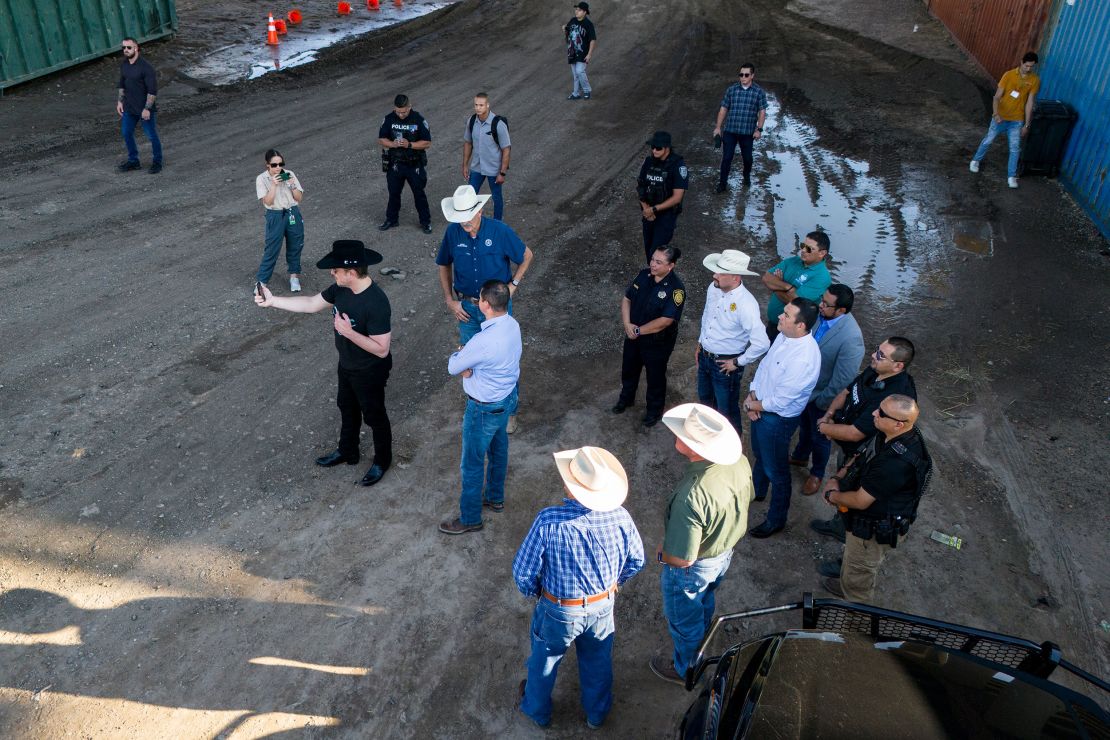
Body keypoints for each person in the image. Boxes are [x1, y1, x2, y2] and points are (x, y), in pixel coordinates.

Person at [514, 446, 644, 729]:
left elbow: (523, 572)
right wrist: (615, 583)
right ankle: (596, 715)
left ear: (569, 486)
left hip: (558, 609)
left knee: (545, 662)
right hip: (602, 605)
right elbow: (637, 559)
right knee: (597, 661)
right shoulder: (620, 517)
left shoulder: (548, 520)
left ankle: (538, 711)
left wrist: (535, 592)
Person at [253, 240, 393, 487]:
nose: (332, 273)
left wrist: (348, 333)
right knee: (346, 407)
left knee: (374, 416)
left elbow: (382, 350)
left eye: (336, 269)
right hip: (347, 364)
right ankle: (348, 451)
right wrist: (273, 301)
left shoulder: (376, 302)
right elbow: (311, 304)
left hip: (369, 370)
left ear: (351, 273)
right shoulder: (340, 289)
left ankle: (382, 460)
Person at [650, 403, 752, 685]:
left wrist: (662, 556)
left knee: (684, 622)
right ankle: (703, 633)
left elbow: (682, 559)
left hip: (694, 567)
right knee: (706, 598)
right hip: (723, 552)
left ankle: (687, 669)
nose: (677, 435)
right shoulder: (739, 462)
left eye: (683, 434)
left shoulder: (692, 496)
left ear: (695, 448)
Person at [437, 185, 532, 433]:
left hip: (497, 307)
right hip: (467, 306)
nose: (464, 222)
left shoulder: (499, 231)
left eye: (468, 216)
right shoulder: (453, 233)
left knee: (504, 360)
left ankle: (509, 411)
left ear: (479, 210)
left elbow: (527, 255)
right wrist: (449, 299)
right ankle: (478, 407)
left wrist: (514, 285)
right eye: (460, 218)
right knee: (469, 361)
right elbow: (443, 265)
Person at [819, 395, 932, 602]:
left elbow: (861, 501)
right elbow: (863, 454)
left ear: (899, 424)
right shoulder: (891, 434)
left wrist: (833, 495)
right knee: (854, 563)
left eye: (880, 412)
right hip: (863, 523)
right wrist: (838, 477)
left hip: (870, 532)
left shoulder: (896, 463)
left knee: (859, 578)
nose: (874, 413)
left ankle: (855, 616)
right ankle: (848, 581)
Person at [810, 336, 918, 545]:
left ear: (898, 365)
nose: (873, 355)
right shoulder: (877, 370)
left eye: (880, 355)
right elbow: (847, 391)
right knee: (843, 485)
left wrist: (823, 427)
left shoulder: (895, 394)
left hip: (866, 456)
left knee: (854, 496)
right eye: (877, 349)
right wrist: (829, 414)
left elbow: (855, 433)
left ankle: (848, 540)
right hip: (849, 447)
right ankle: (840, 523)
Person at [439, 280, 522, 536]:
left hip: (483, 409)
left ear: (485, 304)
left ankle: (471, 517)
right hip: (506, 399)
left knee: (472, 464)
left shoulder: (482, 341)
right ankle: (495, 497)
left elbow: (454, 366)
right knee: (499, 451)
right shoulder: (512, 325)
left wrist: (463, 355)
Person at [745, 298, 822, 538]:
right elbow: (764, 366)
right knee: (759, 453)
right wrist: (752, 392)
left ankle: (776, 519)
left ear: (801, 326)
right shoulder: (783, 335)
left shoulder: (804, 358)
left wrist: (752, 404)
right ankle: (757, 490)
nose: (780, 316)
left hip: (777, 420)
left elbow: (782, 400)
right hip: (760, 407)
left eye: (786, 315)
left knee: (777, 470)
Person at [790, 285, 865, 495]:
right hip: (803, 389)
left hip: (821, 397)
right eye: (822, 300)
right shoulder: (819, 316)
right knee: (803, 426)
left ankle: (817, 474)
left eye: (826, 304)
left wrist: (823, 402)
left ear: (841, 310)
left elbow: (843, 379)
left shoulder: (851, 338)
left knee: (821, 437)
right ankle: (800, 455)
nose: (820, 305)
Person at [695, 249, 769, 435]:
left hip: (725, 363)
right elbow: (707, 316)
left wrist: (737, 362)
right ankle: (709, 436)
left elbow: (762, 343)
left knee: (726, 409)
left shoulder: (746, 304)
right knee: (705, 399)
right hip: (705, 356)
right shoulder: (714, 287)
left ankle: (734, 444)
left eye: (720, 272)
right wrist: (700, 343)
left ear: (735, 278)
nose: (714, 275)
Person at [613, 246, 685, 428]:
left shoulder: (676, 290)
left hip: (657, 342)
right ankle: (626, 399)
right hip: (633, 335)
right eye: (653, 259)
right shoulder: (643, 275)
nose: (652, 264)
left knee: (655, 377)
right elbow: (627, 299)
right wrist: (627, 324)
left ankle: (653, 411)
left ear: (671, 266)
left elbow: (665, 321)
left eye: (658, 262)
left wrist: (638, 331)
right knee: (629, 369)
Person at [970, 52, 1040, 189]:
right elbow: (997, 97)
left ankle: (1011, 176)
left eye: (1031, 66)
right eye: (1027, 66)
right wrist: (996, 114)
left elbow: (1029, 103)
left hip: (1016, 120)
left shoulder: (1034, 80)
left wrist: (1026, 124)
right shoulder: (1008, 75)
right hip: (1000, 117)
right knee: (988, 140)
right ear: (1021, 62)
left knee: (1014, 148)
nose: (1028, 69)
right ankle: (975, 160)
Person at [760, 231, 831, 341]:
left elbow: (796, 302)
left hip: (791, 333)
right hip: (774, 323)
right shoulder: (793, 261)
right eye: (803, 245)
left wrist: (776, 284)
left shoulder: (821, 276)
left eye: (809, 248)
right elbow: (766, 278)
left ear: (822, 253)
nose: (803, 250)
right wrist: (788, 288)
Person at [378, 94, 433, 234]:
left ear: (410, 106)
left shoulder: (418, 119)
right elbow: (381, 139)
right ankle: (391, 219)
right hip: (395, 164)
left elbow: (427, 142)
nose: (401, 115)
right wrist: (392, 144)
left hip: (414, 164)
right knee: (393, 193)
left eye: (404, 111)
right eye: (398, 111)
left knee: (419, 194)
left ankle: (425, 222)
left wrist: (410, 144)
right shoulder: (389, 119)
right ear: (394, 108)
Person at [255, 149, 305, 294]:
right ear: (267, 165)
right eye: (274, 165)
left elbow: (299, 198)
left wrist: (292, 184)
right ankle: (262, 282)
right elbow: (268, 201)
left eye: (280, 164)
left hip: (292, 212)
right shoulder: (262, 179)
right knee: (272, 248)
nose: (278, 168)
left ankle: (294, 276)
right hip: (275, 214)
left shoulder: (289, 174)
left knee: (296, 244)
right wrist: (274, 185)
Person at [713, 63, 767, 191]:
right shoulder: (732, 90)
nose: (743, 77)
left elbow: (762, 112)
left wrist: (759, 129)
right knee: (726, 157)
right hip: (730, 131)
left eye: (746, 75)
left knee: (747, 158)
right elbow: (723, 108)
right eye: (741, 74)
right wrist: (718, 127)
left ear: (752, 76)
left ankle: (746, 175)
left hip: (747, 133)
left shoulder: (758, 92)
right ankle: (722, 184)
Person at [637, 131, 689, 264]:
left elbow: (677, 197)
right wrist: (646, 209)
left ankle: (658, 276)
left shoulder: (678, 165)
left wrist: (653, 209)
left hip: (666, 215)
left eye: (658, 148)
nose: (654, 150)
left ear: (667, 148)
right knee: (648, 249)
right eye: (652, 147)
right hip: (648, 213)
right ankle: (653, 274)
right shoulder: (649, 162)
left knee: (656, 251)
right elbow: (641, 186)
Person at [116, 37, 163, 174]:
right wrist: (120, 101)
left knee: (151, 136)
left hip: (144, 109)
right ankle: (133, 161)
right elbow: (122, 84)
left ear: (136, 48)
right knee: (126, 133)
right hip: (129, 108)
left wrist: (147, 109)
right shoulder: (124, 65)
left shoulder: (146, 68)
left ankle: (157, 162)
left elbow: (152, 91)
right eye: (123, 48)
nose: (126, 50)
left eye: (129, 47)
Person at [462, 93, 511, 220]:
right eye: (476, 105)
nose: (478, 108)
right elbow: (468, 143)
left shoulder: (498, 124)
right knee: (470, 196)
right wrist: (465, 165)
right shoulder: (471, 121)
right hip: (477, 167)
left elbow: (506, 149)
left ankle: (497, 224)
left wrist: (502, 172)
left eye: (481, 105)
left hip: (494, 169)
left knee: (496, 197)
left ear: (488, 105)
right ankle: (470, 222)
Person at [563, 2, 597, 100]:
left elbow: (592, 39)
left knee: (580, 71)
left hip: (583, 52)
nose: (576, 11)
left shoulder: (588, 24)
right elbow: (568, 30)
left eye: (579, 10)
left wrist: (589, 54)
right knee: (575, 74)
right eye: (576, 9)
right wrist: (565, 28)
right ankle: (575, 93)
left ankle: (587, 90)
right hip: (572, 51)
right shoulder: (573, 20)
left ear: (584, 12)